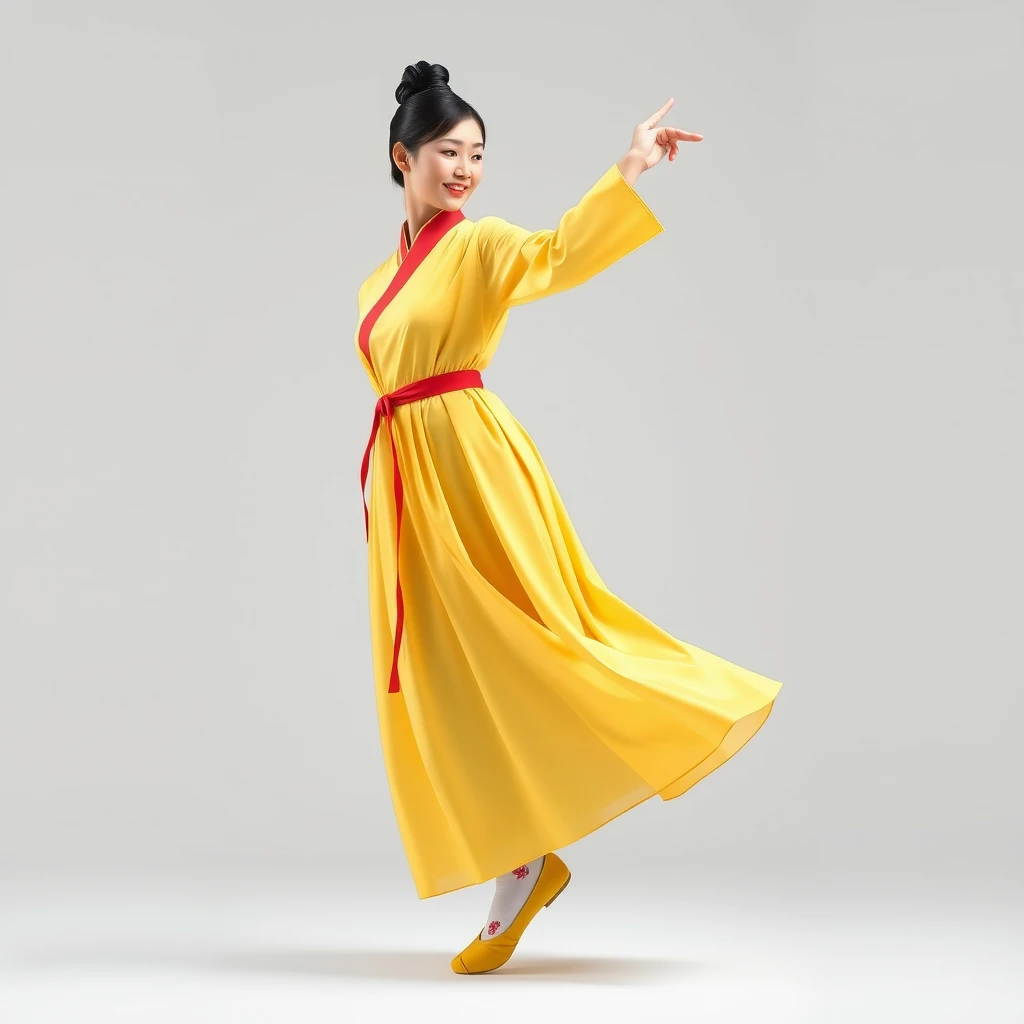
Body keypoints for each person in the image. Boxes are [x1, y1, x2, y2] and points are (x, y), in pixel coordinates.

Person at [355, 60, 783, 976]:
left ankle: (553, 830)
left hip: (470, 464)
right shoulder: (376, 280)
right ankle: (524, 855)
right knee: (443, 674)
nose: (464, 169)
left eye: (476, 154)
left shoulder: (479, 246)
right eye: (446, 152)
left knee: (538, 640)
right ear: (403, 157)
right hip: (407, 486)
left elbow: (555, 255)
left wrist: (626, 168)